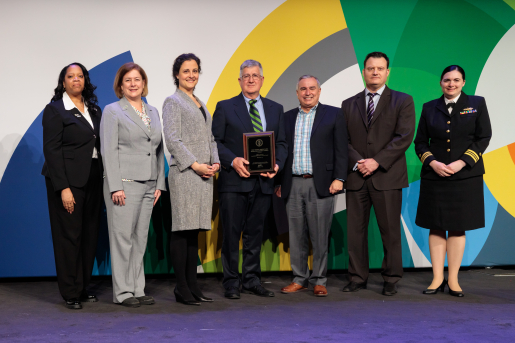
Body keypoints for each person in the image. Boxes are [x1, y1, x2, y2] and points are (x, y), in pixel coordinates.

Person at [341, 52, 415, 296]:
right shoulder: (348, 103)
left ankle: (391, 278)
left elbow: (404, 137)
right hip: (356, 177)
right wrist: (360, 162)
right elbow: (344, 140)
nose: (375, 72)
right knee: (355, 232)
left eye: (380, 68)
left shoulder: (403, 101)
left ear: (387, 72)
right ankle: (357, 277)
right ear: (363, 71)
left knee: (391, 232)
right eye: (370, 68)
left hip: (387, 176)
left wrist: (376, 162)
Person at [212, 59, 288, 299]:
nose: (251, 79)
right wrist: (233, 160)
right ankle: (231, 282)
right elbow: (215, 142)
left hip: (263, 182)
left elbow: (282, 144)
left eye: (255, 75)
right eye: (246, 75)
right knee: (232, 234)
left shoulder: (276, 108)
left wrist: (276, 165)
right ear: (240, 80)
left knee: (255, 235)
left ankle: (252, 280)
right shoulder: (225, 106)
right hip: (234, 181)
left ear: (262, 80)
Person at [414, 65, 492, 297]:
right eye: (447, 80)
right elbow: (420, 142)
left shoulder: (477, 104)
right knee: (436, 225)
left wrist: (461, 163)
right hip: (435, 176)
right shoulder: (429, 107)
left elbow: (483, 137)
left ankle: (454, 280)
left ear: (464, 82)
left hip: (465, 176)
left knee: (458, 226)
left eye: (456, 80)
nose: (451, 84)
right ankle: (437, 278)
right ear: (440, 82)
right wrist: (433, 163)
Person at [100, 63, 166, 307]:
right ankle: (123, 293)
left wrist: (160, 182)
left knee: (140, 240)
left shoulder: (153, 111)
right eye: (128, 80)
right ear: (120, 85)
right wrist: (115, 186)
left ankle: (138, 289)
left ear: (144, 83)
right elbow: (109, 150)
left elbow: (158, 150)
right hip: (125, 184)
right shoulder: (113, 111)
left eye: (137, 79)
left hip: (150, 184)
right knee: (122, 239)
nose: (133, 83)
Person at [277, 75, 348, 297]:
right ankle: (299, 278)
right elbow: (281, 150)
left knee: (319, 235)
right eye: (303, 89)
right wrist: (279, 181)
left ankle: (319, 279)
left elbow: (342, 150)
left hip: (322, 184)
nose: (308, 92)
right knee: (296, 235)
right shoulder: (287, 117)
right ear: (297, 93)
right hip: (293, 183)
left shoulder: (334, 114)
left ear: (319, 91)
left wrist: (340, 178)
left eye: (312, 88)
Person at [42, 62, 103, 309]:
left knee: (89, 235)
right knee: (69, 236)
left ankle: (83, 286)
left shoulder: (95, 110)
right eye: (71, 76)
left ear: (85, 81)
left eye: (80, 76)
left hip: (93, 177)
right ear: (64, 82)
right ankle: (70, 291)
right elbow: (52, 151)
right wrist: (63, 188)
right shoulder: (55, 110)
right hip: (68, 181)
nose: (76, 79)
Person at [162, 53, 220, 306]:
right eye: (186, 71)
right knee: (182, 231)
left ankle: (193, 286)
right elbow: (173, 139)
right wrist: (196, 165)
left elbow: (210, 139)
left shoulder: (199, 102)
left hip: (204, 176)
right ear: (177, 74)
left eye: (195, 70)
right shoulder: (173, 102)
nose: (191, 75)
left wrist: (215, 162)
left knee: (193, 233)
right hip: (186, 174)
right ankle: (182, 287)